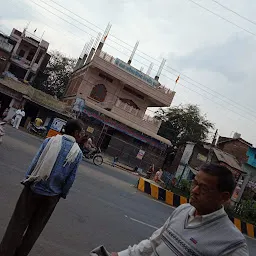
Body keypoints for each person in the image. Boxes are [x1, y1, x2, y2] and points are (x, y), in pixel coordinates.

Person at [112, 164, 249, 256]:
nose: (194, 190)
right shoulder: (183, 210)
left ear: (223, 197)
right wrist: (120, 255)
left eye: (204, 188)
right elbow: (154, 243)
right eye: (195, 183)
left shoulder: (233, 245)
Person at [0, 119, 84, 256]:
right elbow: (70, 179)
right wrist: (61, 194)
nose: (82, 135)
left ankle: (5, 252)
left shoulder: (50, 141)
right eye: (81, 132)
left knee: (18, 223)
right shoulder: (77, 153)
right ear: (75, 133)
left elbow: (35, 162)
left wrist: (27, 179)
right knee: (35, 229)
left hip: (33, 188)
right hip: (51, 197)